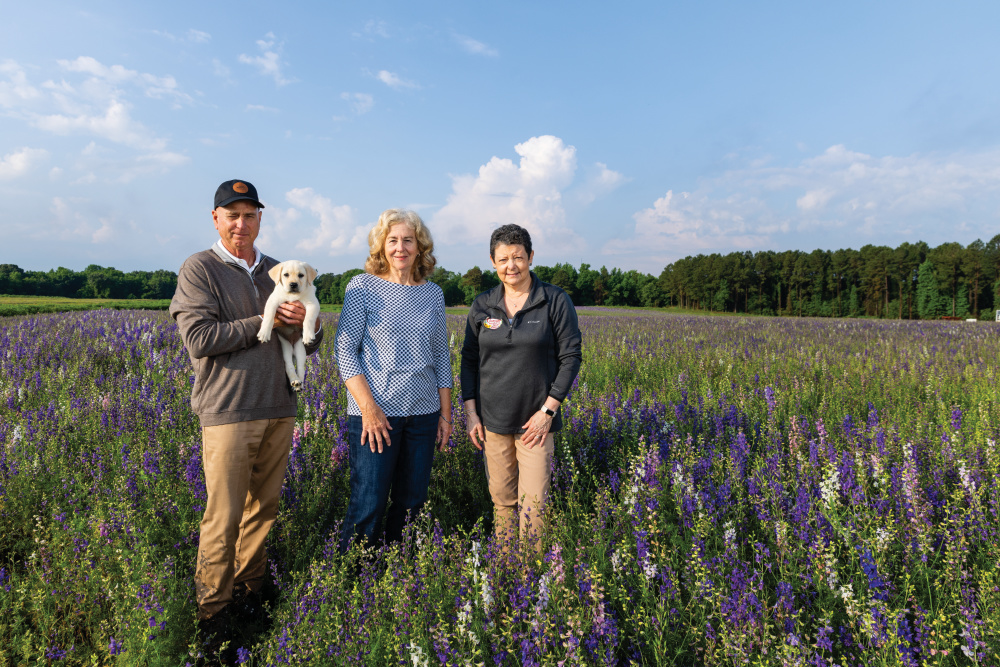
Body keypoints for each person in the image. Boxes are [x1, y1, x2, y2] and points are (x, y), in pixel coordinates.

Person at [169, 179, 325, 655]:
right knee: (224, 514)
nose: (242, 223)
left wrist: (304, 329)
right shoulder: (200, 268)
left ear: (260, 218)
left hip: (279, 406)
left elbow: (310, 343)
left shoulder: (279, 271)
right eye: (232, 214)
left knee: (264, 509)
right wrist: (264, 323)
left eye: (250, 214)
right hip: (229, 411)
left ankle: (250, 591)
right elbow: (198, 338)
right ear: (215, 218)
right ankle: (213, 612)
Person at [335, 209, 453, 553]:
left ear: (420, 247)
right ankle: (354, 580)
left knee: (413, 502)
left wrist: (446, 415)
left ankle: (398, 580)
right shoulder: (362, 287)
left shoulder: (433, 294)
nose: (400, 247)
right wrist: (368, 409)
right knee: (368, 502)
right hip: (375, 416)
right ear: (381, 247)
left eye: (408, 240)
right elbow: (345, 350)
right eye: (393, 240)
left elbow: (441, 357)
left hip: (423, 414)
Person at [460, 224, 581, 550]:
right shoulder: (483, 305)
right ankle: (509, 573)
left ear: (530, 257)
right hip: (493, 423)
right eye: (503, 259)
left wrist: (547, 411)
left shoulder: (553, 300)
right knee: (502, 501)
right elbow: (469, 361)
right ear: (492, 261)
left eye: (518, 257)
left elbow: (571, 358)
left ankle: (534, 578)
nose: (511, 266)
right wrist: (471, 414)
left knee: (535, 505)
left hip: (536, 425)